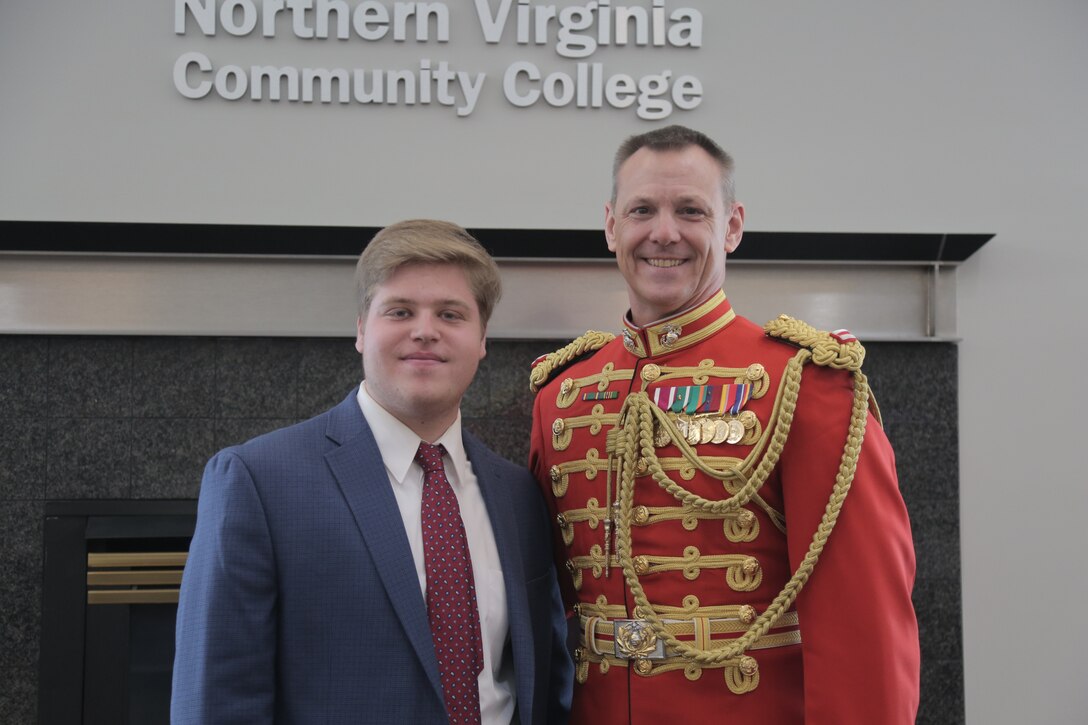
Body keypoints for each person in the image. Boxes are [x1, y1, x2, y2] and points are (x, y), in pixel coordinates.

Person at [528, 126, 919, 723]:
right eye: (642, 210)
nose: (664, 232)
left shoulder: (805, 382)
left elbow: (863, 622)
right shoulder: (562, 393)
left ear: (732, 226)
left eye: (691, 211)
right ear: (611, 225)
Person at [173, 219, 572, 724]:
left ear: (482, 338)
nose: (425, 330)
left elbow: (544, 680)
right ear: (362, 328)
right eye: (400, 311)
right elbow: (216, 703)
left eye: (451, 314)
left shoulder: (518, 495)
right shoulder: (258, 482)